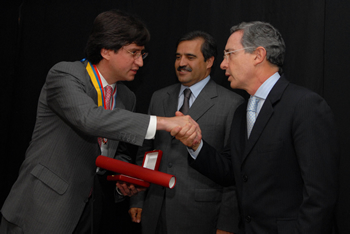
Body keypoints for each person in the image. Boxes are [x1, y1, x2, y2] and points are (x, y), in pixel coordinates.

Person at [0, 9, 200, 234]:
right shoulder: (66, 75)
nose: (140, 62)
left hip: (87, 212)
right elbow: (89, 119)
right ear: (106, 50)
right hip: (41, 208)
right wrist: (164, 123)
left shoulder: (127, 97)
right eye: (133, 52)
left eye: (142, 54)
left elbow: (112, 149)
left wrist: (122, 181)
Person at [172, 21, 339, 234]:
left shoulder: (305, 106)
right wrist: (194, 143)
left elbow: (320, 196)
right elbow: (232, 171)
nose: (222, 64)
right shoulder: (242, 111)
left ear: (258, 55)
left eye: (229, 54)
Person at [129, 31, 243, 234]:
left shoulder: (232, 104)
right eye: (178, 56)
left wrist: (227, 224)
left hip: (200, 216)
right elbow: (144, 151)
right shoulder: (158, 97)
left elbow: (233, 172)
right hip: (154, 210)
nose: (181, 63)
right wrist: (137, 198)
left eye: (190, 57)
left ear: (209, 62)